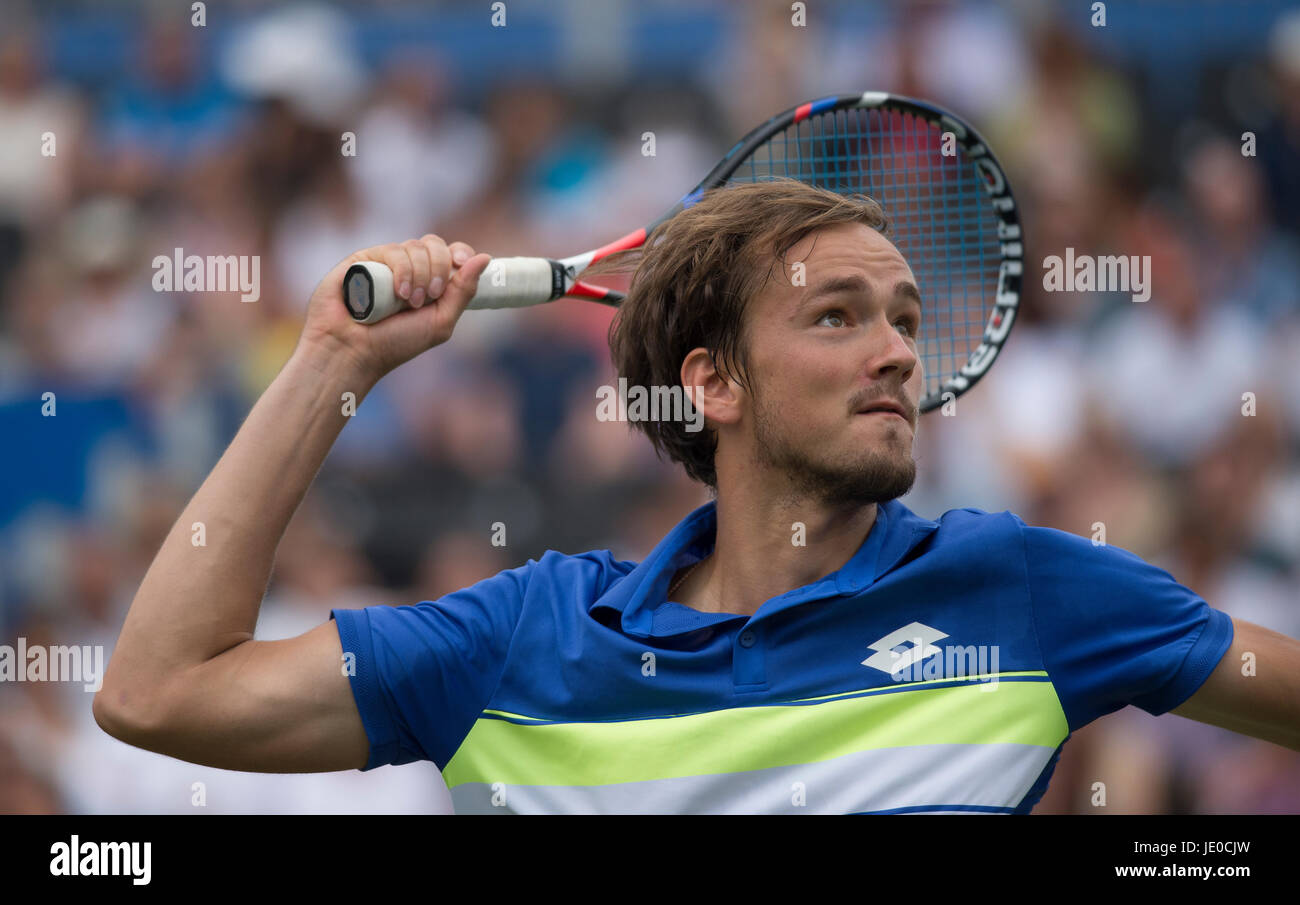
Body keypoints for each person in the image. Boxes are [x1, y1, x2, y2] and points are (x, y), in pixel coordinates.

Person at [95, 180, 1300, 814]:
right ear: (711, 383)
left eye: (902, 319)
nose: (893, 352)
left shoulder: (1026, 589)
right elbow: (160, 692)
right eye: (835, 315)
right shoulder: (521, 640)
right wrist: (334, 361)